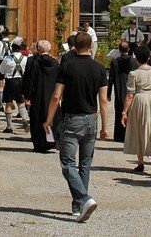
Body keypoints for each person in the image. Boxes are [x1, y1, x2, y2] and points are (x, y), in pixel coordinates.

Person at [43, 32, 109, 223]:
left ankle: (83, 199)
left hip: (72, 119)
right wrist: (104, 126)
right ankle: (78, 204)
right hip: (92, 119)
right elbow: (103, 100)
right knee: (85, 163)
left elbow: (56, 95)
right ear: (90, 46)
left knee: (67, 163)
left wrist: (48, 119)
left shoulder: (67, 66)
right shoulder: (99, 68)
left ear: (74, 46)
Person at [121, 45, 151, 173]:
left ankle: (140, 162)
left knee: (139, 128)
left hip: (140, 100)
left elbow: (130, 95)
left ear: (136, 58)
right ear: (148, 57)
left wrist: (124, 111)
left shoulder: (134, 74)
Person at [22, 39, 60, 152]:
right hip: (52, 94)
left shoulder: (33, 61)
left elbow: (29, 80)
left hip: (37, 94)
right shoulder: (56, 63)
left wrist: (27, 96)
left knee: (37, 119)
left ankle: (40, 144)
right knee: (53, 117)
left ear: (38, 49)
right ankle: (55, 142)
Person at [107, 42, 136, 142]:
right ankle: (129, 135)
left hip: (119, 87)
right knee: (129, 111)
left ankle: (119, 135)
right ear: (128, 50)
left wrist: (109, 93)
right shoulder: (133, 61)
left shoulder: (115, 62)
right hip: (130, 88)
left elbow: (111, 78)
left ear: (119, 50)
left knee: (119, 110)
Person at [0, 37, 29, 134]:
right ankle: (24, 120)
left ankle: (9, 127)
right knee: (21, 103)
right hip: (22, 81)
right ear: (21, 48)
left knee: (8, 103)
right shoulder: (26, 59)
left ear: (12, 48)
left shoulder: (7, 58)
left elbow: (1, 70)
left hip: (10, 81)